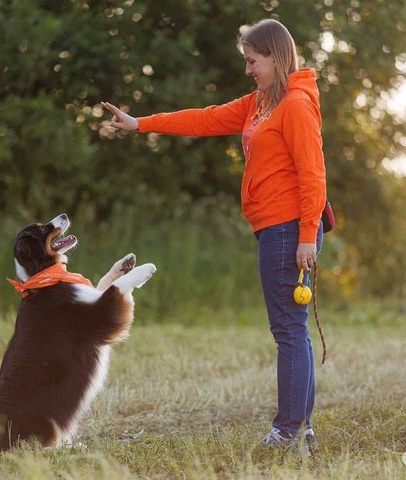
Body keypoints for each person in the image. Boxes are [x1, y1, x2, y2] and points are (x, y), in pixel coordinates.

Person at [102, 19, 326, 453]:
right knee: (292, 329)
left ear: (276, 58)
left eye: (252, 61)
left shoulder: (295, 106)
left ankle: (287, 430)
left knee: (288, 330)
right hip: (273, 228)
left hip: (287, 230)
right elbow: (204, 120)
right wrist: (141, 124)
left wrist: (306, 236)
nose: (247, 70)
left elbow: (313, 175)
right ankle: (302, 429)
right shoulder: (262, 102)